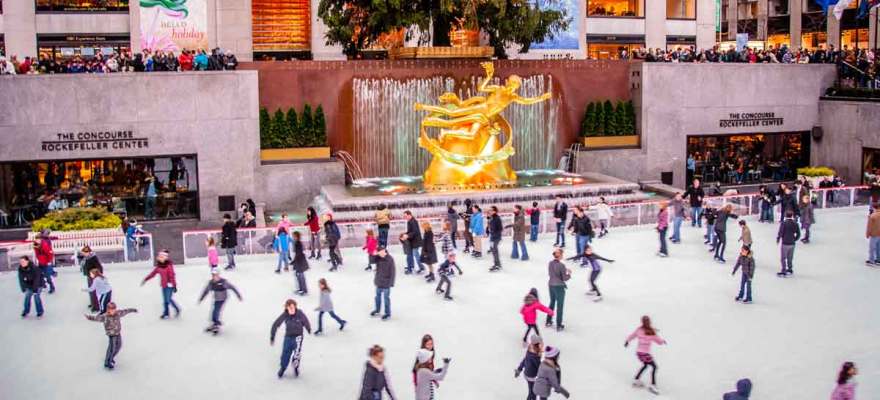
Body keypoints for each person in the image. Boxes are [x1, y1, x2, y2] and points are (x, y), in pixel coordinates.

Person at [84, 303, 137, 369]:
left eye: (114, 309)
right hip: (111, 335)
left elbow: (125, 311)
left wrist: (133, 310)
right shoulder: (105, 316)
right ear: (108, 310)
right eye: (112, 309)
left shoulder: (118, 313)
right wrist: (89, 317)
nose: (114, 310)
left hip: (118, 333)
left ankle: (111, 358)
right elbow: (96, 318)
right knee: (112, 348)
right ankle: (108, 362)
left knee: (119, 346)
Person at [270, 299, 312, 378]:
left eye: (293, 307)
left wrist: (308, 328)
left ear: (295, 307)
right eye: (289, 308)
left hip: (298, 337)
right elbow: (275, 324)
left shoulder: (300, 313)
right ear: (286, 308)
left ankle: (295, 367)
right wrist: (272, 337)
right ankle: (283, 367)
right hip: (288, 337)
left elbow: (306, 321)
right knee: (285, 353)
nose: (291, 309)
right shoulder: (285, 315)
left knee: (297, 353)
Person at [625, 315, 667, 394]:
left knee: (646, 365)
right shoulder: (650, 331)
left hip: (639, 353)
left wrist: (627, 341)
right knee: (654, 367)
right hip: (644, 354)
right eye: (647, 321)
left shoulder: (640, 330)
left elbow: (632, 336)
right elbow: (658, 341)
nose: (648, 323)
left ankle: (636, 380)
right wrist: (663, 341)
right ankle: (652, 385)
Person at [141, 250, 180, 319]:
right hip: (163, 286)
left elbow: (172, 276)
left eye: (162, 257)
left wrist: (174, 286)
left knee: (168, 299)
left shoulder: (169, 266)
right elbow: (152, 274)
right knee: (165, 301)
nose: (160, 258)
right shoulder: (158, 267)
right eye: (160, 257)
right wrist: (145, 279)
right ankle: (166, 314)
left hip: (170, 286)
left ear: (165, 258)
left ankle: (177, 309)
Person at [546, 249, 571, 331]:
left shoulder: (550, 263)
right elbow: (564, 278)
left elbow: (551, 273)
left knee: (552, 302)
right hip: (559, 286)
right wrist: (569, 273)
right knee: (560, 306)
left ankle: (548, 321)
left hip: (551, 285)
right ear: (560, 255)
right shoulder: (561, 265)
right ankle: (559, 325)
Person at [515, 334, 544, 400]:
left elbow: (524, 360)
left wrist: (519, 369)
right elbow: (539, 367)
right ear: (537, 344)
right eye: (541, 343)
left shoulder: (530, 350)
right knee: (533, 393)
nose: (542, 345)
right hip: (532, 376)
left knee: (531, 392)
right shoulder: (535, 355)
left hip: (527, 374)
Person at [371, 247, 395, 320]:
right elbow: (371, 261)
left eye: (381, 252)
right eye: (379, 252)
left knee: (386, 299)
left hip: (386, 283)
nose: (380, 254)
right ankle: (377, 310)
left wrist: (391, 283)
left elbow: (393, 272)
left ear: (384, 251)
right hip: (378, 281)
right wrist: (374, 255)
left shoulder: (390, 259)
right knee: (377, 297)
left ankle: (387, 313)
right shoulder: (378, 258)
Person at [777, 211, 801, 277]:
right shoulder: (795, 223)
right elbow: (798, 234)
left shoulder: (784, 223)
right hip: (792, 243)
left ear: (785, 215)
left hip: (785, 243)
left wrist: (778, 238)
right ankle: (790, 269)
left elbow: (781, 232)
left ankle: (784, 270)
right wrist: (794, 239)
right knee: (790, 257)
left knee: (783, 258)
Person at [79, 246, 103, 313]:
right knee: (91, 291)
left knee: (93, 291)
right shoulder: (86, 258)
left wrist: (99, 275)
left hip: (93, 276)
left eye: (84, 253)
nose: (83, 254)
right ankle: (93, 303)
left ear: (88, 252)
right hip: (89, 276)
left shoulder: (93, 258)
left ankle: (96, 307)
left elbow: (99, 267)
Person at [487, 206, 504, 271]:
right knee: (493, 250)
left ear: (494, 211)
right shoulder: (492, 218)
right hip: (492, 237)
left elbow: (500, 229)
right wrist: (488, 229)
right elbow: (491, 226)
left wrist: (494, 235)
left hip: (496, 237)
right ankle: (497, 264)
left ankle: (497, 265)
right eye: (489, 210)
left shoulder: (497, 218)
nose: (489, 211)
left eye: (491, 210)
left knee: (495, 251)